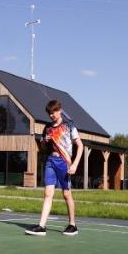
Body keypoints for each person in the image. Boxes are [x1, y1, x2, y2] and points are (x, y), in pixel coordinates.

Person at [26, 99, 83, 237]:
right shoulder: (48, 128)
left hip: (65, 162)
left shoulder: (69, 126)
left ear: (60, 110)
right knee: (47, 193)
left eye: (54, 112)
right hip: (51, 161)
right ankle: (41, 226)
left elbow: (80, 146)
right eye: (49, 113)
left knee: (66, 194)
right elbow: (43, 147)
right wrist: (44, 142)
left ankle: (72, 224)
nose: (52, 115)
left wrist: (75, 164)